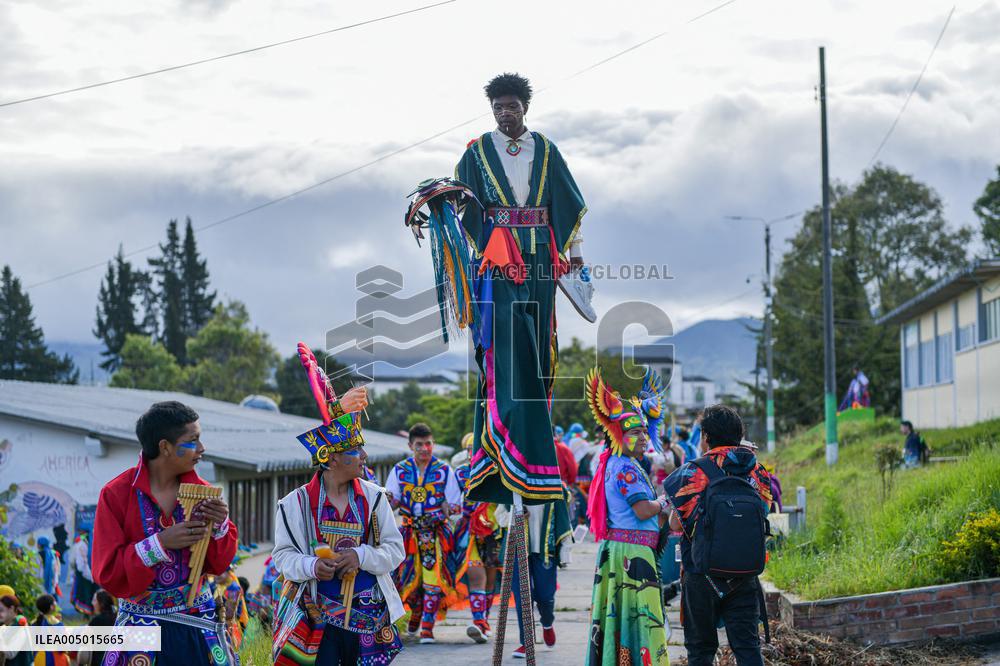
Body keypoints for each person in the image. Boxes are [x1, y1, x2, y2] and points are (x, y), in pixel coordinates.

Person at [455, 72, 588, 505]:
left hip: (540, 261)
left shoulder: (546, 149)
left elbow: (567, 203)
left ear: (524, 107)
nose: (504, 113)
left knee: (538, 346)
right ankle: (504, 428)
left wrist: (578, 254)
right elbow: (464, 205)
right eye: (497, 107)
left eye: (511, 106)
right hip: (497, 260)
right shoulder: (476, 153)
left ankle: (533, 442)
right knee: (506, 342)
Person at [271, 346, 403, 665]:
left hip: (368, 617)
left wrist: (360, 555)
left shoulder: (373, 497)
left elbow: (395, 551)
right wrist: (312, 566)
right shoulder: (295, 503)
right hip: (316, 617)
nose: (365, 457)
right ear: (331, 459)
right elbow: (282, 557)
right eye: (356, 451)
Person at [92, 401, 240, 666]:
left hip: (197, 624)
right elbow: (108, 572)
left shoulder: (203, 493)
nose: (202, 449)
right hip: (141, 626)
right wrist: (159, 544)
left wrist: (220, 526)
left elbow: (219, 565)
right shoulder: (115, 494)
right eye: (192, 440)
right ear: (165, 447)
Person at [663, 405, 773, 666]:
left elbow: (676, 525)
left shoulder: (692, 473)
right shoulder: (758, 472)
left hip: (701, 574)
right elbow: (763, 512)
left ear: (705, 437)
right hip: (745, 573)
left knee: (701, 650)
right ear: (738, 435)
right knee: (747, 648)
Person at [583, 367, 670, 665]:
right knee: (640, 620)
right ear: (619, 435)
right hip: (631, 553)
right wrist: (663, 501)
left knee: (624, 622)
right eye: (635, 432)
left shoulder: (620, 463)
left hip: (622, 550)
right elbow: (643, 510)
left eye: (645, 431)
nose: (644, 437)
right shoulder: (626, 468)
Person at [386, 423, 462, 643]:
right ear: (410, 445)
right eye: (419, 444)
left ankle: (427, 626)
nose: (425, 448)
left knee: (432, 579)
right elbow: (392, 501)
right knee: (406, 579)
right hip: (408, 533)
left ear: (433, 444)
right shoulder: (400, 470)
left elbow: (454, 503)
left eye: (428, 443)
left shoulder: (444, 469)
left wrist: (449, 509)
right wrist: (386, 499)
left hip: (435, 534)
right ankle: (417, 612)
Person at [451, 432, 504, 643]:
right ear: (467, 451)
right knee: (476, 575)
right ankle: (479, 621)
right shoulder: (460, 473)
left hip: (494, 531)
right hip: (469, 532)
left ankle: (485, 621)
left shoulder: (498, 471)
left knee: (491, 579)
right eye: (472, 449)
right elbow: (453, 500)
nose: (475, 452)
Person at [79, 590, 116, 666]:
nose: (92, 603)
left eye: (94, 600)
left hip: (98, 659)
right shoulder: (117, 618)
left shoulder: (97, 621)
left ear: (101, 603)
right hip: (114, 659)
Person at [31, 594, 68, 666]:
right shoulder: (56, 623)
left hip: (38, 658)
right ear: (51, 607)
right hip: (54, 659)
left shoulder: (34, 622)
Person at [67, 530, 96, 615]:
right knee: (85, 593)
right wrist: (86, 573)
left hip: (83, 572)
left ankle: (86, 612)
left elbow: (72, 561)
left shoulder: (80, 544)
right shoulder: (82, 545)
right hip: (84, 572)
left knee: (83, 592)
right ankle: (87, 612)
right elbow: (80, 562)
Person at [1, 594, 31, 666]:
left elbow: (10, 653)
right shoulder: (4, 627)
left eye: (1, 610)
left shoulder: (20, 626)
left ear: (11, 609)